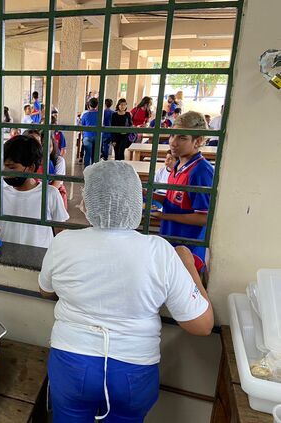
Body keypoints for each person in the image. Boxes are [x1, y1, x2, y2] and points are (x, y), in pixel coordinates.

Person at [39, 160, 213, 423]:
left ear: (88, 201)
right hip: (133, 372)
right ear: (136, 202)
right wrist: (188, 264)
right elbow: (202, 325)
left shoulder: (64, 241)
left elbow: (45, 291)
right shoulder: (159, 251)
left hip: (72, 365)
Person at [152, 111, 215, 272]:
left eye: (182, 138)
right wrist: (149, 194)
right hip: (170, 239)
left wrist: (163, 215)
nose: (173, 142)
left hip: (188, 248)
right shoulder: (178, 166)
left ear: (198, 141)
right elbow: (177, 201)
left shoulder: (201, 172)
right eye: (172, 135)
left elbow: (203, 218)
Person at [48, 134, 67, 210]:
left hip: (54, 195)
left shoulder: (59, 160)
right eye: (42, 145)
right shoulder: (34, 161)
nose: (46, 149)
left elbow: (55, 186)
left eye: (50, 146)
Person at [80, 97, 99, 167]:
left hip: (87, 136)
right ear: (97, 105)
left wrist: (83, 135)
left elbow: (82, 126)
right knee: (95, 155)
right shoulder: (100, 115)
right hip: (97, 136)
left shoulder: (85, 115)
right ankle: (95, 169)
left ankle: (86, 170)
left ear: (89, 105)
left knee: (87, 154)